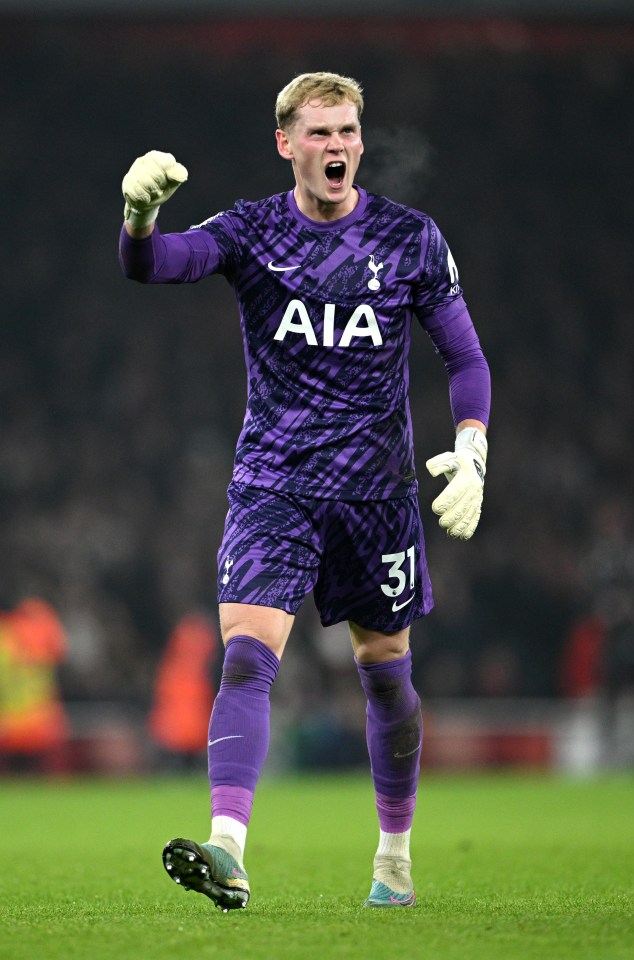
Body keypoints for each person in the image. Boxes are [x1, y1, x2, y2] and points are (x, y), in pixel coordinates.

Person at [119, 71, 490, 911]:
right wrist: (140, 217)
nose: (337, 147)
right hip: (274, 484)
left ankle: (393, 857)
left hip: (374, 494)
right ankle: (227, 848)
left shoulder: (409, 238)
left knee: (385, 672)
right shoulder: (251, 232)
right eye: (319, 133)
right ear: (286, 144)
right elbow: (157, 265)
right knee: (247, 657)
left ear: (361, 140)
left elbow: (464, 357)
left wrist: (472, 449)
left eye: (348, 132)